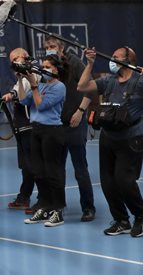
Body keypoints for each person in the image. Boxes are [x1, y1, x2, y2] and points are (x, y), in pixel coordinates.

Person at [77, 46, 143, 237]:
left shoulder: (142, 82)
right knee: (108, 183)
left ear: (128, 60)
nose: (111, 60)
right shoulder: (108, 80)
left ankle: (141, 215)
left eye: (116, 57)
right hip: (108, 137)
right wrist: (90, 64)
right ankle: (121, 220)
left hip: (130, 138)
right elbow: (82, 87)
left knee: (124, 180)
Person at [44, 35, 96, 222]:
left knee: (80, 169)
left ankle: (88, 207)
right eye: (47, 47)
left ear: (62, 48)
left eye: (53, 46)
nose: (50, 49)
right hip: (56, 126)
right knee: (57, 170)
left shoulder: (75, 63)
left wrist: (80, 111)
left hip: (75, 124)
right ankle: (58, 207)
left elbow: (90, 89)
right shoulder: (48, 68)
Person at [18, 54, 71, 227]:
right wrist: (20, 80)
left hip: (52, 131)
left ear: (56, 69)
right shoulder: (40, 85)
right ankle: (45, 206)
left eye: (48, 66)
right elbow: (23, 100)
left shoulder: (59, 87)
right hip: (37, 131)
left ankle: (58, 210)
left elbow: (40, 105)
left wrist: (33, 85)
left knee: (52, 172)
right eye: (43, 65)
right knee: (39, 172)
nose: (43, 69)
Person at [2, 48, 39, 211]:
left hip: (31, 126)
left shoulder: (34, 70)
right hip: (22, 127)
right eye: (11, 61)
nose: (14, 63)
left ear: (25, 57)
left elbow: (24, 87)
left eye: (15, 59)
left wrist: (12, 93)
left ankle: (45, 199)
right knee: (26, 165)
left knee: (34, 166)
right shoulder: (21, 75)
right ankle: (24, 197)